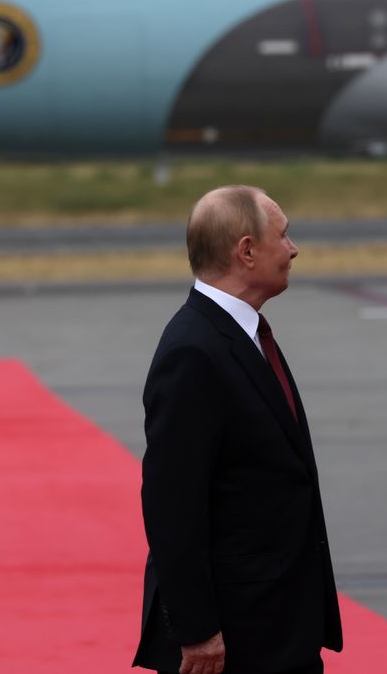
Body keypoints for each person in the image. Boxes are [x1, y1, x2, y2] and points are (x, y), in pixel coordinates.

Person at [134, 185, 342, 674]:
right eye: (284, 236)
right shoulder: (194, 351)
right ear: (246, 251)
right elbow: (172, 506)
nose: (293, 249)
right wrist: (197, 629)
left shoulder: (242, 335)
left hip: (280, 625)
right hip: (234, 640)